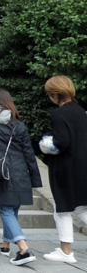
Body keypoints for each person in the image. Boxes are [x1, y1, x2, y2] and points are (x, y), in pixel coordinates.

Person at [0, 89, 42, 267]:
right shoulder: (19, 125)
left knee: (6, 210)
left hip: (0, 173)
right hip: (20, 172)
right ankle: (6, 244)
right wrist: (35, 180)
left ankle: (24, 249)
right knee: (12, 210)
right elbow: (29, 154)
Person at [41, 75, 87, 264]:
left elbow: (62, 142)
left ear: (54, 94)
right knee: (82, 207)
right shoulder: (81, 112)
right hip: (83, 166)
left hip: (66, 169)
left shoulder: (58, 115)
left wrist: (46, 144)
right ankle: (65, 251)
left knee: (62, 210)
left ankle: (66, 251)